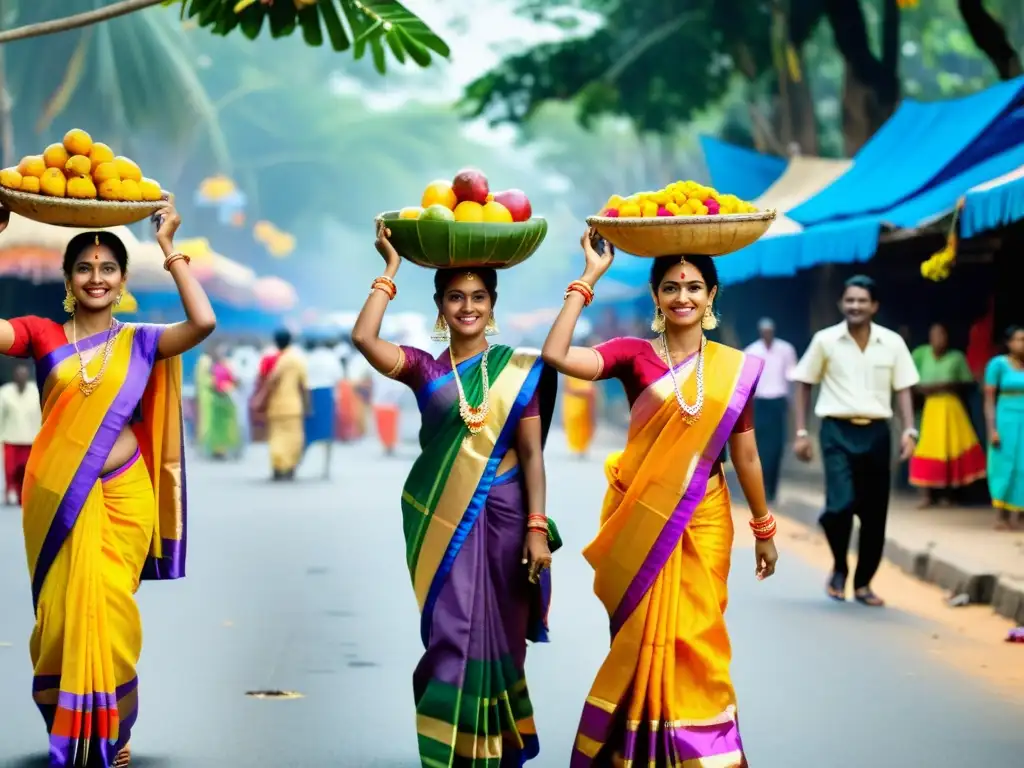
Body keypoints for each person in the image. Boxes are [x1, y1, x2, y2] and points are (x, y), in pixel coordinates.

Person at [541, 232, 777, 768]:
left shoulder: (734, 369)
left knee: (698, 635)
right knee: (641, 637)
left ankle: (704, 754)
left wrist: (763, 527)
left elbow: (747, 456)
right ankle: (632, 749)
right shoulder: (633, 355)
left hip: (707, 515)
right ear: (655, 296)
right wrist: (589, 278)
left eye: (695, 286)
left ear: (712, 296)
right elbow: (555, 355)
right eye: (670, 287)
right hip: (642, 514)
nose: (683, 297)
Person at [0, 200, 215, 767]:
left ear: (122, 280)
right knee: (59, 618)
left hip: (123, 494)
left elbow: (202, 323)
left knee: (112, 610)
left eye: (108, 269)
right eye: (85, 269)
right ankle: (68, 726)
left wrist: (169, 247)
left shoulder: (141, 341)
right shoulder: (41, 335)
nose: (97, 278)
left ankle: (111, 731)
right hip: (55, 496)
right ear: (69, 279)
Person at [351, 222, 558, 767]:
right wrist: (389, 273)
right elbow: (365, 341)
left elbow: (533, 455)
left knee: (505, 639)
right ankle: (450, 748)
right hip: (444, 521)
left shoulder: (521, 370)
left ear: (493, 305)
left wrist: (537, 527)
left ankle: (497, 741)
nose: (467, 307)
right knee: (450, 634)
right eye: (455, 298)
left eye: (478, 297)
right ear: (440, 307)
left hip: (510, 515)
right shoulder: (424, 369)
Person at [791, 275, 919, 607]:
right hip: (836, 431)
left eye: (862, 301)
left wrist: (909, 430)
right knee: (840, 505)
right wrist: (802, 433)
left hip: (878, 433)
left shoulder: (891, 343)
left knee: (875, 514)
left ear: (874, 306)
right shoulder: (825, 340)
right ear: (841, 304)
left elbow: (903, 387)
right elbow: (804, 382)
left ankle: (863, 583)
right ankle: (838, 566)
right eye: (850, 300)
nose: (855, 306)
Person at [909, 322, 985, 505]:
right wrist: (923, 391)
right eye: (935, 335)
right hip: (928, 407)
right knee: (925, 448)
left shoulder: (956, 357)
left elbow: (966, 383)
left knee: (951, 449)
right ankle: (926, 495)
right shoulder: (920, 354)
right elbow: (910, 380)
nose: (939, 339)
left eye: (942, 335)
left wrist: (946, 386)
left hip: (950, 406)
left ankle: (948, 495)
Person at [743, 317, 796, 503]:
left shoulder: (786, 350)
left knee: (777, 446)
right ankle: (761, 485)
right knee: (760, 446)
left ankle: (772, 487)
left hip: (778, 402)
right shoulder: (751, 351)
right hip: (759, 403)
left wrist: (791, 405)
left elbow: (791, 380)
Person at [984, 326, 1024, 530]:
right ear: (1009, 343)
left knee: (1022, 466)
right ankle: (1001, 515)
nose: (1022, 344)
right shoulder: (998, 364)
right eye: (1019, 339)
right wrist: (992, 429)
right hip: (1005, 420)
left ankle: (1020, 514)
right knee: (1002, 465)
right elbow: (989, 400)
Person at [264, 329, 309, 481]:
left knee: (276, 437)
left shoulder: (278, 359)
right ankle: (288, 467)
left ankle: (278, 467)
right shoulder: (296, 359)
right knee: (294, 439)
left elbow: (271, 381)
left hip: (276, 406)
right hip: (293, 407)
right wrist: (308, 406)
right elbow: (303, 386)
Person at [0, 362, 41, 505]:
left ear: (27, 376)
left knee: (27, 472)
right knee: (11, 471)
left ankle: (23, 495)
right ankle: (10, 491)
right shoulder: (5, 392)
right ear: (14, 377)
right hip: (10, 439)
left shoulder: (36, 391)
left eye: (24, 375)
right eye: (18, 375)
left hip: (31, 439)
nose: (21, 378)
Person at [304, 338, 343, 478]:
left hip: (311, 394)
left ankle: (296, 465)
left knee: (308, 433)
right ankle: (326, 468)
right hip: (326, 395)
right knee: (328, 435)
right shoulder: (332, 357)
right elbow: (338, 377)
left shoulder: (308, 357)